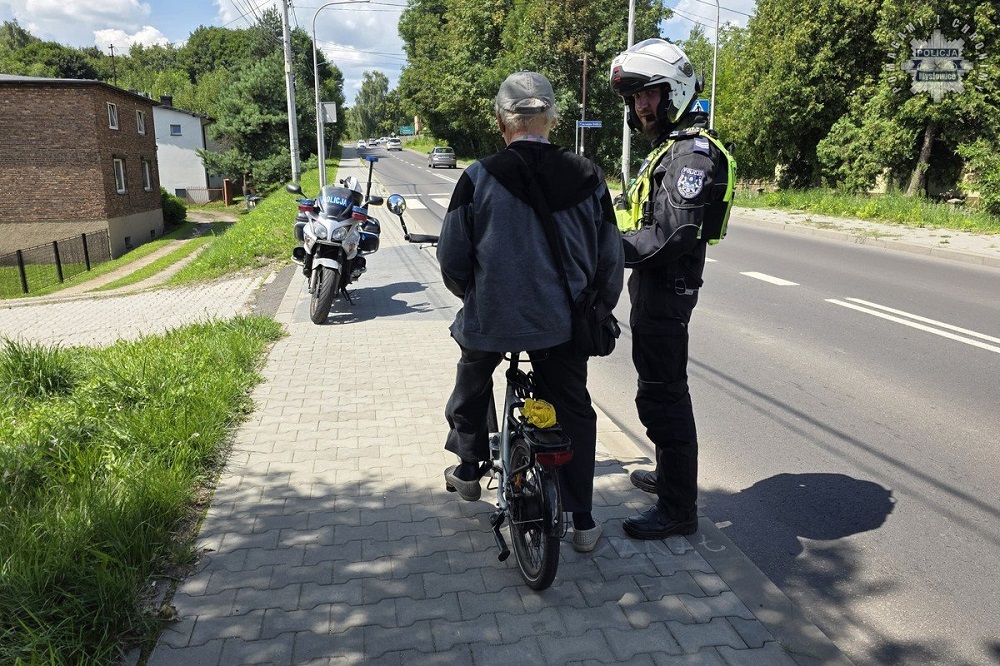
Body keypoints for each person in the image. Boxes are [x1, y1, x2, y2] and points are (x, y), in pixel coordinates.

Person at [437, 71, 624, 553]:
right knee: (573, 406)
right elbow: (610, 260)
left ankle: (468, 466)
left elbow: (453, 261)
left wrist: (475, 298)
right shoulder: (589, 177)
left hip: (493, 319)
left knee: (473, 372)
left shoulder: (476, 178)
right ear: (552, 120)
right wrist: (596, 308)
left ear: (503, 123)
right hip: (563, 327)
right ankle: (582, 520)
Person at [608, 39, 735, 539]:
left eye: (649, 94)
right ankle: (669, 478)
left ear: (675, 91)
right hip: (653, 288)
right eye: (635, 97)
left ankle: (679, 510)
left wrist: (606, 249)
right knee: (655, 389)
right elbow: (638, 217)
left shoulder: (691, 157)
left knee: (664, 397)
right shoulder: (671, 149)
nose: (641, 106)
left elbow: (672, 235)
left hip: (667, 291)